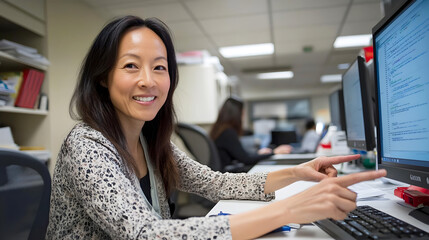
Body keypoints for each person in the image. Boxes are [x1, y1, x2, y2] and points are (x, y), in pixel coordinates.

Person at [46, 15, 386, 239]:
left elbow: (217, 183)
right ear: (104, 77)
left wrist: (299, 172)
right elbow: (145, 234)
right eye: (131, 66)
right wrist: (290, 209)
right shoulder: (87, 145)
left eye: (160, 68)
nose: (148, 81)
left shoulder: (150, 141)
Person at [210, 97, 292, 172]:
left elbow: (241, 156)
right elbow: (246, 159)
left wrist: (258, 154)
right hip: (226, 175)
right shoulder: (228, 133)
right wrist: (274, 152)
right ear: (237, 114)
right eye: (242, 113)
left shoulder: (220, 130)